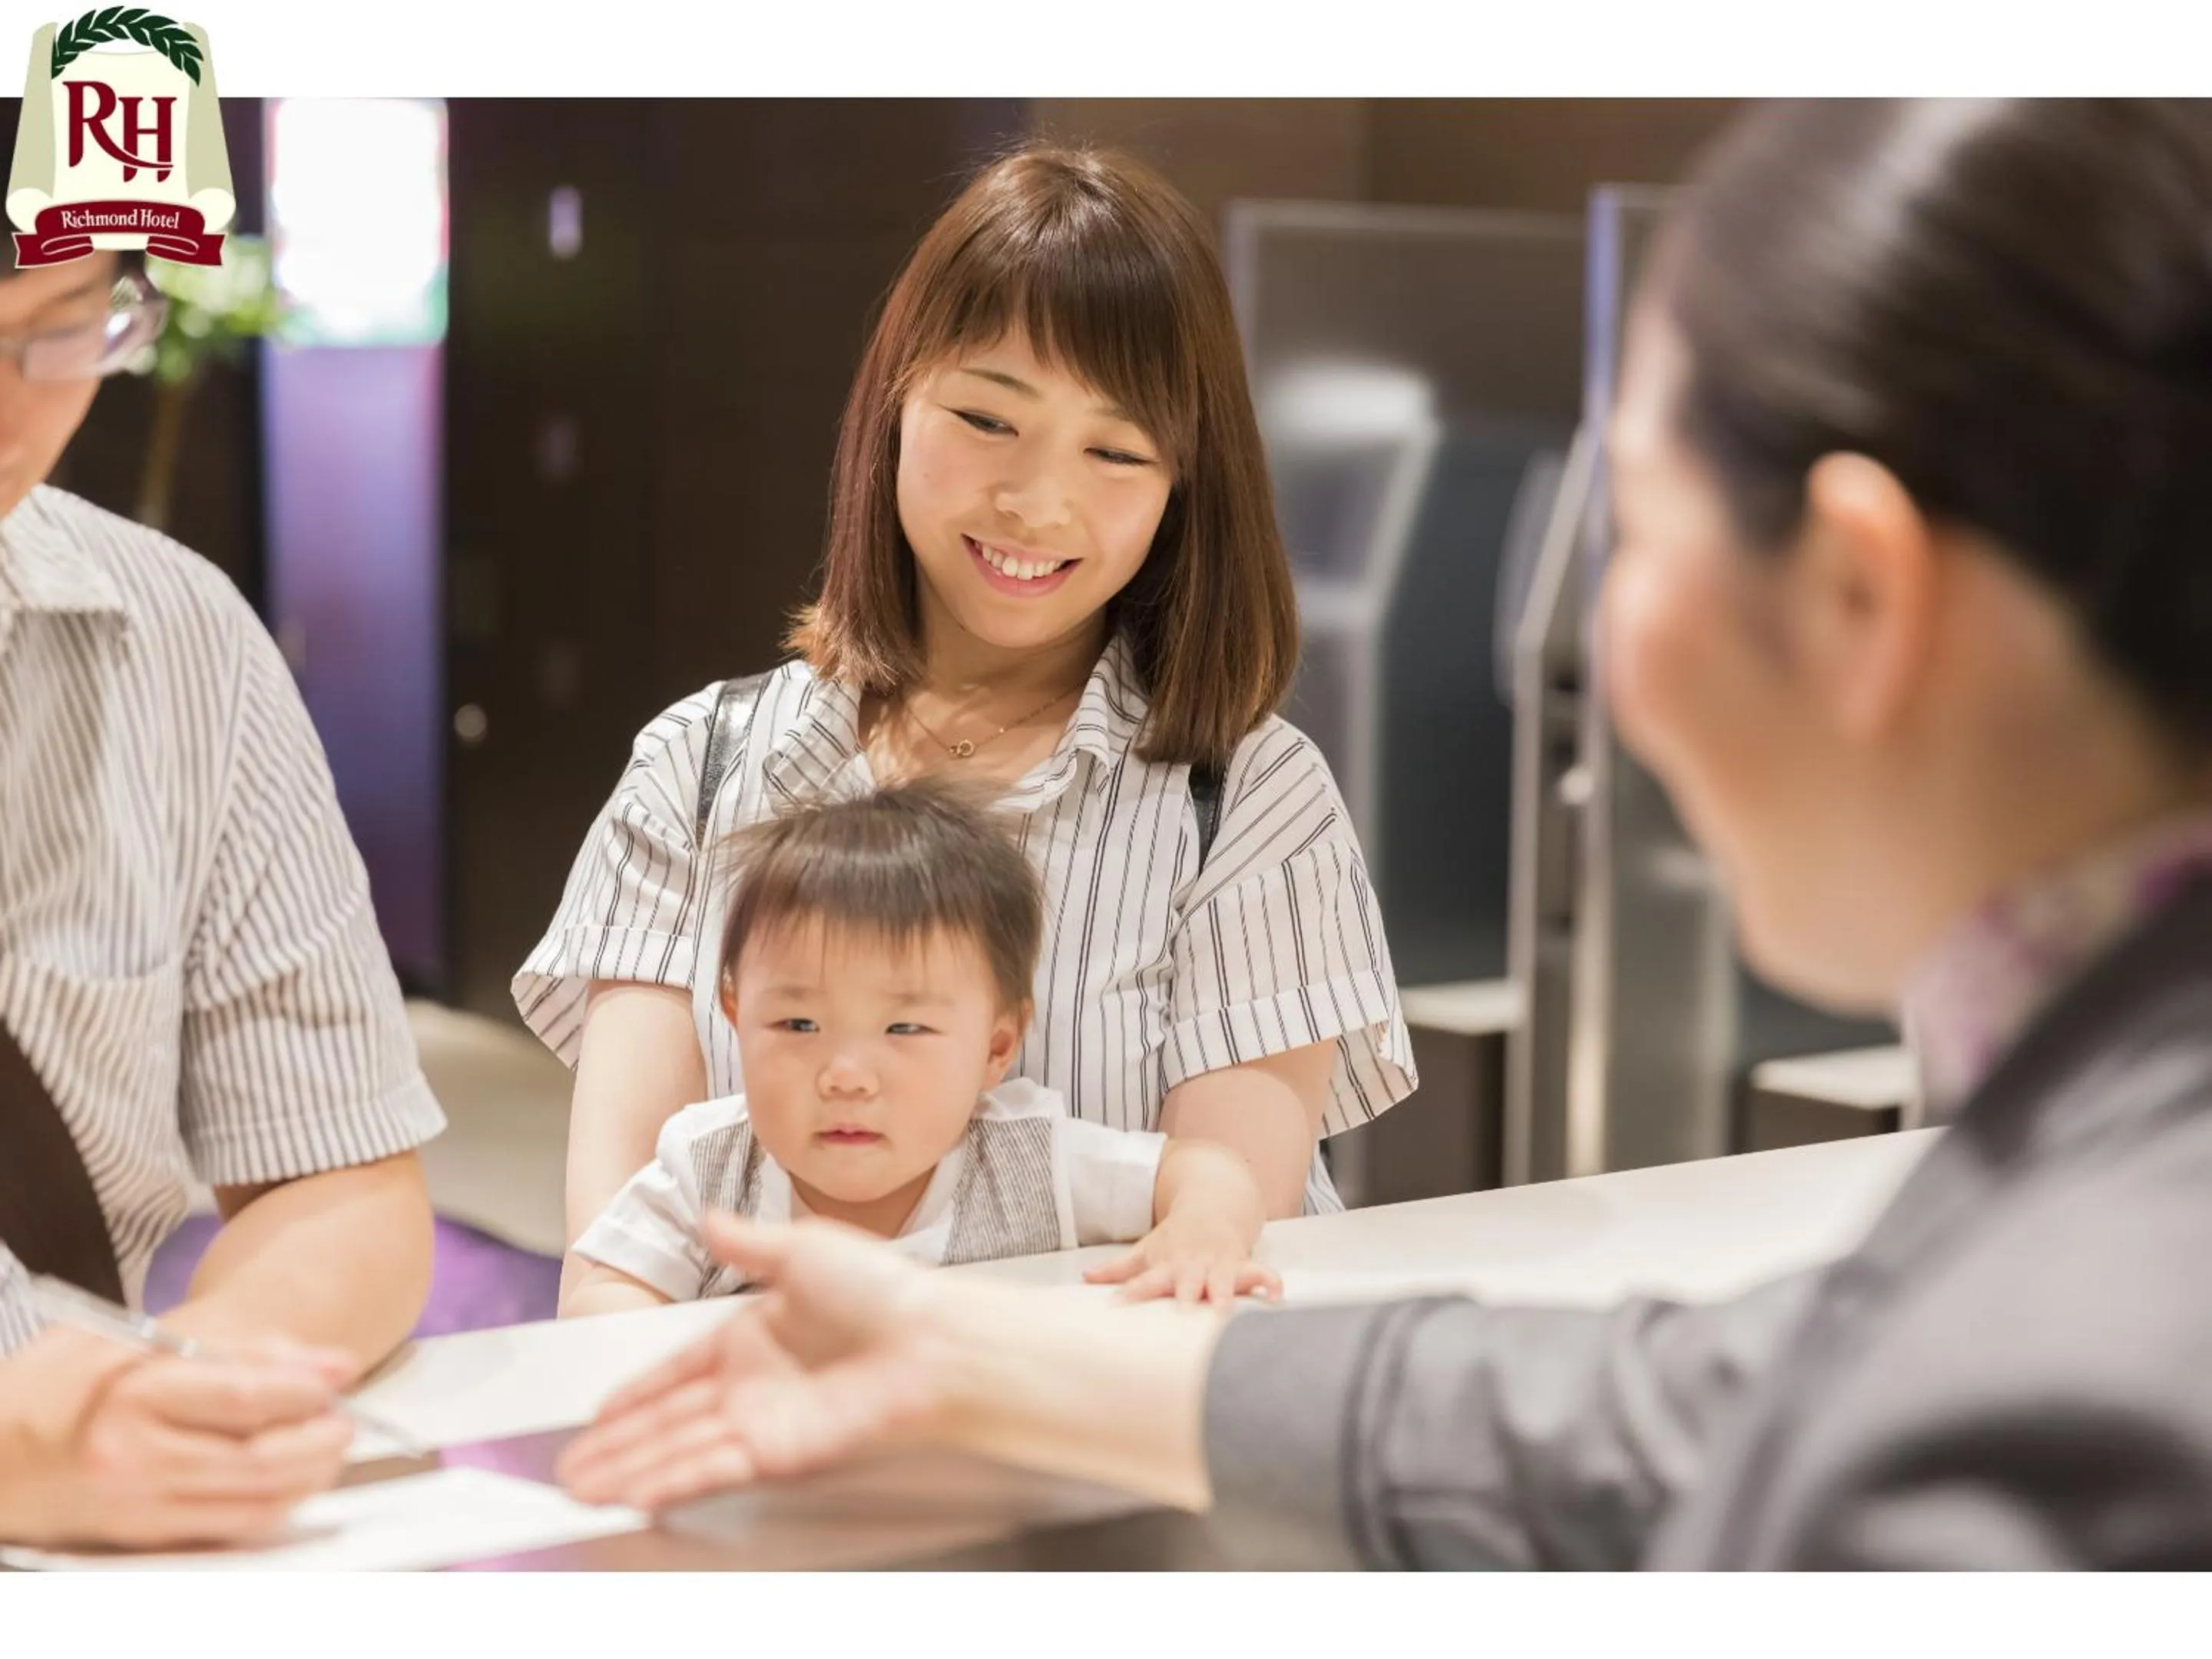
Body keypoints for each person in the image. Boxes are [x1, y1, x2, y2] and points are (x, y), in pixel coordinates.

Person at [560, 99, 2212, 1568]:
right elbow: (1701, 1410)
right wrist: (965, 1356)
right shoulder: (2073, 1174)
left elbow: (1756, 1421)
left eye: (1634, 518)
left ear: (1862, 591)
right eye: (987, 418)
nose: (1592, 650)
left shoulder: (2077, 1339)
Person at [517, 145, 1416, 1296]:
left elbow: (1210, 1247)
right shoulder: (697, 768)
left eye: (1114, 450)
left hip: (1101, 1435)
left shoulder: (1243, 796)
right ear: (896, 403)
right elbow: (622, 1251)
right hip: (768, 1428)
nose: (1038, 501)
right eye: (988, 420)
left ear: (1183, 491)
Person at [0, 243, 446, 1549]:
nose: (16, 408)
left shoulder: (176, 639)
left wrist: (169, 1395)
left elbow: (343, 1188)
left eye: (62, 330)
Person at [561, 781, 1277, 1318]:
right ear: (736, 1013)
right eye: (798, 1026)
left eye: (903, 1030)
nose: (846, 1077)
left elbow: (1207, 1169)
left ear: (997, 1046)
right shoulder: (709, 1168)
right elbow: (602, 1291)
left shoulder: (1026, 1160)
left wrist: (1203, 1228)